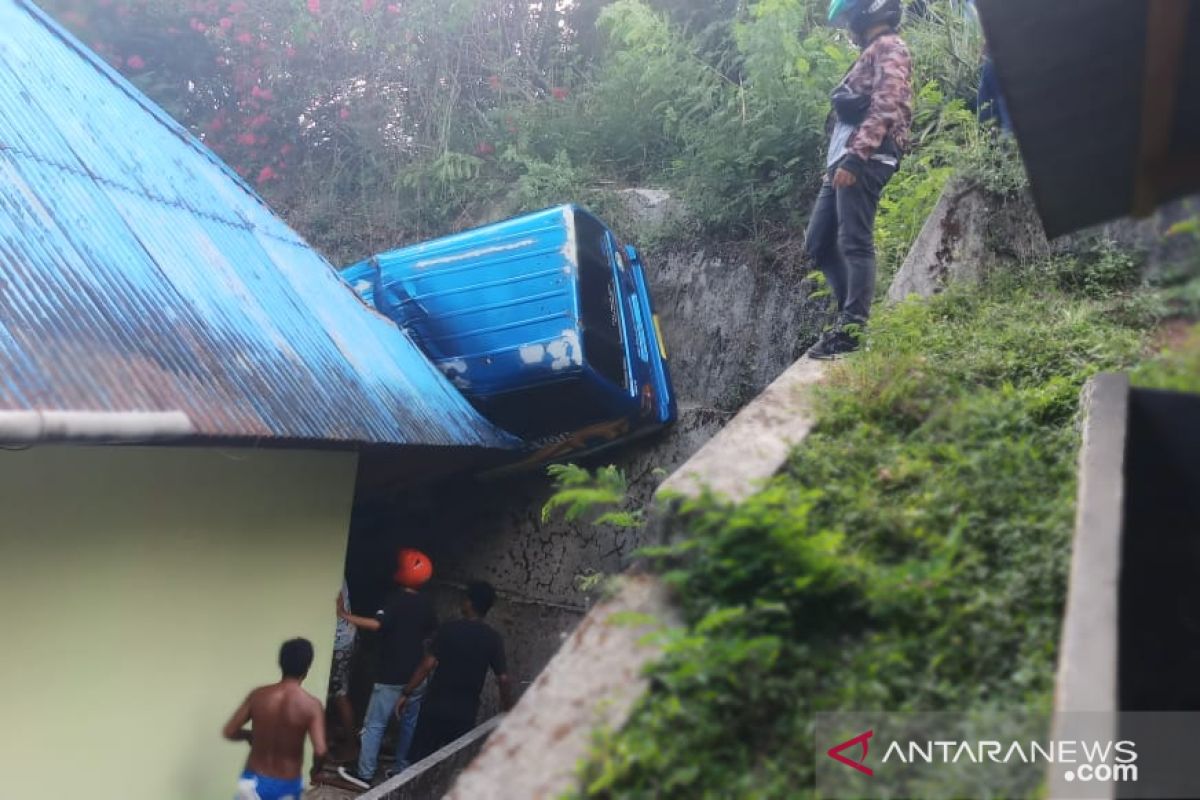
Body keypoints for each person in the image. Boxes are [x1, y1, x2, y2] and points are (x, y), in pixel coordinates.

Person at [804, 0, 913, 360]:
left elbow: (887, 103)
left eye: (851, 16)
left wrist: (854, 156)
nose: (849, 24)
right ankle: (848, 317)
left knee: (855, 242)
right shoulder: (871, 51)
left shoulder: (890, 47)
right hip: (843, 161)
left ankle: (852, 330)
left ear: (868, 12)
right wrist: (837, 160)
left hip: (865, 157)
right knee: (818, 242)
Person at [336, 548, 436, 789]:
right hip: (417, 675)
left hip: (391, 675)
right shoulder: (426, 604)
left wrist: (344, 615)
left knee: (374, 725)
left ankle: (365, 773)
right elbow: (430, 633)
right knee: (409, 723)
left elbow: (376, 624)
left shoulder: (394, 600)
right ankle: (402, 767)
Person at [405, 581, 515, 762]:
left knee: (420, 759)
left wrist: (407, 692)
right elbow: (503, 679)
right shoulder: (493, 639)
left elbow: (427, 664)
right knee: (452, 764)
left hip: (435, 705)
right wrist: (508, 706)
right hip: (465, 711)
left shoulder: (449, 629)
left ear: (469, 603)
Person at [223, 638, 327, 800]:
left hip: (253, 780)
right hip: (287, 784)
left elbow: (230, 731)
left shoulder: (258, 695)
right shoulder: (312, 705)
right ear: (307, 668)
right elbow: (320, 750)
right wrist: (315, 770)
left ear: (280, 664)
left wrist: (249, 735)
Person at [329, 579, 358, 760]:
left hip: (338, 641)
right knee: (335, 692)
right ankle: (330, 738)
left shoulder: (331, 570)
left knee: (339, 693)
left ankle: (351, 746)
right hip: (344, 638)